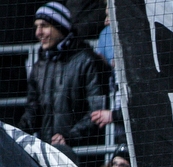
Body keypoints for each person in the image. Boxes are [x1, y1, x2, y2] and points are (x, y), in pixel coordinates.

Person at [16, 2, 109, 149]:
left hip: (83, 153)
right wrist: (16, 133)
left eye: (44, 25)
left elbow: (96, 112)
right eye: (37, 26)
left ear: (60, 27)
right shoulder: (39, 66)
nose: (38, 33)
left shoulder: (87, 60)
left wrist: (69, 138)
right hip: (48, 152)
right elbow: (33, 111)